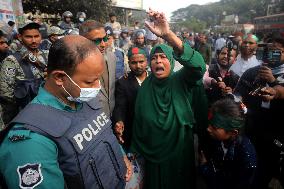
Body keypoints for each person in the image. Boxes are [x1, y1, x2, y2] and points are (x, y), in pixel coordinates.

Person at [0, 35, 129, 189]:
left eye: (98, 79)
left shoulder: (83, 98)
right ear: (60, 77)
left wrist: (121, 157)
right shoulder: (30, 141)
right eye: (89, 81)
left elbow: (104, 133)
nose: (97, 87)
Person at [130, 9, 208, 189]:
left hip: (179, 154)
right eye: (154, 58)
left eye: (163, 57)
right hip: (151, 157)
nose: (158, 61)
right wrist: (134, 151)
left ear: (172, 61)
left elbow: (198, 67)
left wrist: (168, 35)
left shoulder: (181, 80)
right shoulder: (145, 88)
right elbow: (139, 122)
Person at [234, 37, 284, 188]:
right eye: (269, 51)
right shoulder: (252, 73)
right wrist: (240, 106)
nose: (271, 54)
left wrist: (273, 83)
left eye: (277, 51)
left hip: (277, 134)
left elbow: (280, 91)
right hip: (251, 131)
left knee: (269, 171)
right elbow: (237, 97)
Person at [199, 98, 257, 189]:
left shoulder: (246, 158)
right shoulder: (213, 139)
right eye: (210, 124)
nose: (208, 129)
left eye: (214, 127)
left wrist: (205, 169)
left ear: (233, 132)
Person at [0, 22, 48, 125]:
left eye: (36, 36)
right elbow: (6, 93)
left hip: (46, 110)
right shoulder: (12, 61)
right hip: (24, 114)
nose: (34, 40)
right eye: (29, 37)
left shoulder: (46, 56)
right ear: (20, 37)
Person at [113, 47, 148, 150]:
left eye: (141, 62)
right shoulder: (123, 82)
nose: (138, 66)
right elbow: (120, 106)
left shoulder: (154, 79)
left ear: (146, 61)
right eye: (134, 63)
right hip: (133, 130)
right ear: (128, 63)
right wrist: (119, 121)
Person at [79, 20, 116, 117]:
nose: (103, 44)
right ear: (83, 41)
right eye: (97, 40)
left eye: (105, 38)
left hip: (112, 117)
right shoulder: (75, 66)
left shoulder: (112, 57)